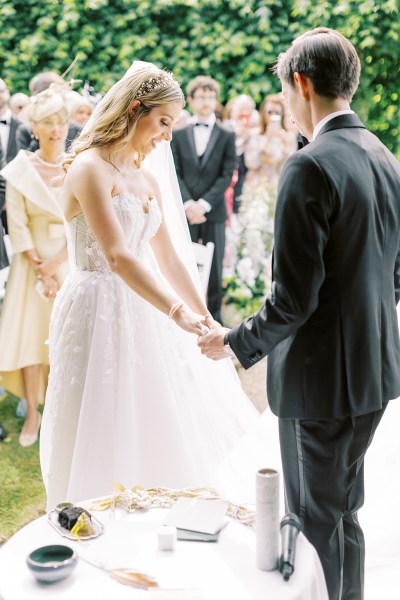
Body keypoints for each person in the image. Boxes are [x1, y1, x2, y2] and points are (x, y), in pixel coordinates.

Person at [199, 27, 400, 600]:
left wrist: (232, 342)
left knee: (314, 524)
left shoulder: (309, 166)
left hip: (321, 386)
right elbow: (396, 277)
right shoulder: (385, 157)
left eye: (284, 91)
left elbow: (293, 299)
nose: (284, 104)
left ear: (302, 83)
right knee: (344, 514)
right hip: (375, 373)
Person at [40, 63, 277, 511]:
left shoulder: (145, 177)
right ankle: (87, 507)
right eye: (164, 122)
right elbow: (117, 255)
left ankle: (150, 507)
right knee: (96, 411)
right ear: (135, 110)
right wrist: (175, 312)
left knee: (150, 408)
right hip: (95, 302)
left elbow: (166, 257)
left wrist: (202, 314)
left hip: (142, 304)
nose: (168, 136)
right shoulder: (91, 169)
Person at [0, 85, 70, 446]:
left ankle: (64, 412)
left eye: (61, 122)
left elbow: (85, 220)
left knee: (65, 340)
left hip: (69, 263)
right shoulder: (20, 168)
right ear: (35, 129)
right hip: (31, 269)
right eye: (48, 123)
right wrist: (39, 264)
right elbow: (17, 221)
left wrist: (59, 262)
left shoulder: (78, 165)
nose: (56, 130)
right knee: (30, 340)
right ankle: (31, 412)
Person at [171, 75, 236, 323]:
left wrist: (204, 204)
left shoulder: (226, 134)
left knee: (215, 271)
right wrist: (188, 204)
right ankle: (185, 319)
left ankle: (214, 321)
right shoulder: (178, 134)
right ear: (191, 100)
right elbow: (175, 172)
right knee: (182, 264)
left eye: (211, 97)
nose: (207, 102)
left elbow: (226, 174)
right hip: (185, 211)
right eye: (201, 97)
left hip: (214, 211)